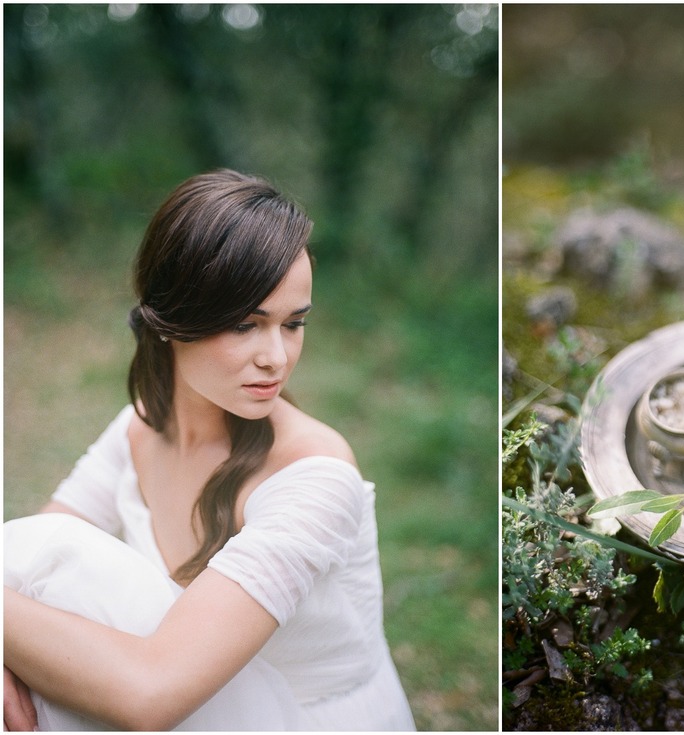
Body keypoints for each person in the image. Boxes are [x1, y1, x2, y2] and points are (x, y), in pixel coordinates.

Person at [3, 170, 416, 731]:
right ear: (174, 318)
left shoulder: (314, 476)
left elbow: (150, 693)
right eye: (246, 324)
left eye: (293, 324)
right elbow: (27, 564)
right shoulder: (138, 430)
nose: (276, 357)